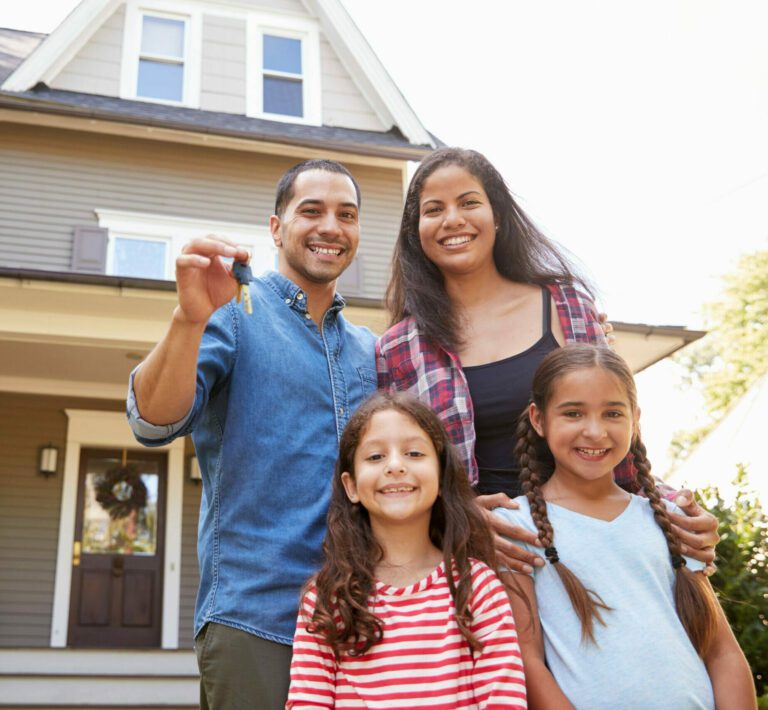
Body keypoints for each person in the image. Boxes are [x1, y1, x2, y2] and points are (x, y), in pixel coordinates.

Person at [376, 146, 719, 574]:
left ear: (497, 214)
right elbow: (399, 472)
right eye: (433, 209)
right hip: (483, 563)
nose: (453, 220)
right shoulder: (398, 348)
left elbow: (617, 434)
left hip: (590, 545)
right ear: (417, 230)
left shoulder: (568, 305)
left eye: (469, 202)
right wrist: (457, 519)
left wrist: (675, 510)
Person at [127, 160, 377, 710]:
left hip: (363, 622)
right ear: (276, 227)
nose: (331, 226)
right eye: (311, 211)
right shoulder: (233, 314)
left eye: (347, 214)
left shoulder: (368, 348)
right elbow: (152, 420)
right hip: (258, 620)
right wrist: (188, 319)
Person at [494, 344, 756, 710]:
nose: (595, 431)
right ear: (539, 420)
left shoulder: (667, 518)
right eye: (573, 413)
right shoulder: (516, 527)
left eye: (613, 413)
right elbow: (527, 661)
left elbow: (722, 652)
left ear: (635, 419)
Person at [286, 391, 528, 708]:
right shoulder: (326, 597)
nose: (396, 466)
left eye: (414, 453)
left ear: (441, 476)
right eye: (375, 457)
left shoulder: (477, 587)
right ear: (351, 486)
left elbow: (503, 702)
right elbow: (308, 703)